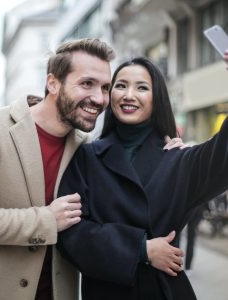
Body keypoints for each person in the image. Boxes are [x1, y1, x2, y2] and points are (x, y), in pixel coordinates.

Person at [0, 38, 115, 300]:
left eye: (105, 87)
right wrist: (46, 220)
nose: (99, 98)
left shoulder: (85, 148)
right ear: (53, 83)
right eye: (87, 83)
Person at [57, 53, 228, 299]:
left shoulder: (178, 159)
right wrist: (140, 250)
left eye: (142, 87)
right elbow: (71, 234)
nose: (129, 95)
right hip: (106, 291)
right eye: (121, 85)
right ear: (110, 96)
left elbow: (223, 153)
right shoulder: (86, 157)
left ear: (156, 99)